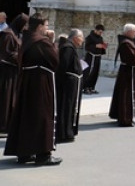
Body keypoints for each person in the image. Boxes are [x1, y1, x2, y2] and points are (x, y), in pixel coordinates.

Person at [3, 14, 61, 165]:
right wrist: (52, 41)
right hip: (40, 81)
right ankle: (43, 155)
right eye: (46, 26)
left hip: (27, 81)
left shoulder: (27, 38)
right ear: (40, 26)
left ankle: (25, 153)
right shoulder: (42, 41)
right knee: (42, 115)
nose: (47, 28)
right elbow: (54, 60)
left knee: (27, 116)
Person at [109, 24, 135, 127]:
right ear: (129, 32)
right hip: (128, 73)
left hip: (130, 71)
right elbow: (132, 59)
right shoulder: (126, 43)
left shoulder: (128, 42)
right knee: (128, 95)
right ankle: (126, 118)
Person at [0, 13, 27, 135]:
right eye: (25, 24)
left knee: (12, 98)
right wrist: (21, 57)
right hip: (7, 72)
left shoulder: (17, 34)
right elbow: (7, 53)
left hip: (14, 71)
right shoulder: (8, 34)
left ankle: (9, 124)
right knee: (6, 98)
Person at [56, 29, 84, 143]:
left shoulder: (70, 47)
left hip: (72, 83)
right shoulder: (68, 48)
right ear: (76, 38)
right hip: (68, 84)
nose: (83, 40)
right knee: (66, 108)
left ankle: (69, 131)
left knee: (71, 107)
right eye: (82, 38)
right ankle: (64, 132)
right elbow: (63, 66)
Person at [82, 24, 106, 94]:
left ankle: (91, 87)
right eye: (100, 32)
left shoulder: (100, 38)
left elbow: (100, 46)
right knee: (89, 72)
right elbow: (87, 47)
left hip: (97, 57)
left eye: (102, 32)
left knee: (95, 72)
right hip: (91, 57)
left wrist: (103, 46)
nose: (100, 33)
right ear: (96, 30)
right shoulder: (89, 37)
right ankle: (85, 87)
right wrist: (95, 46)